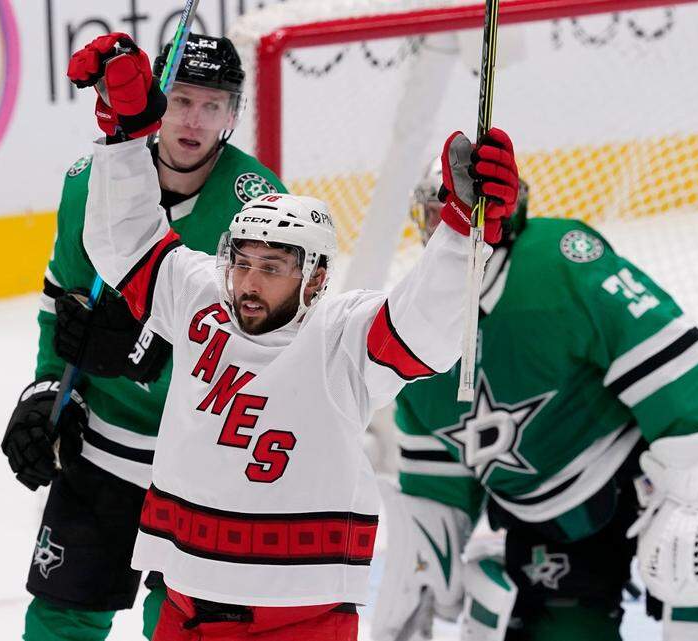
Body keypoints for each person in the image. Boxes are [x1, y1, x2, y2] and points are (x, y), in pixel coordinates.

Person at [72, 39, 522, 641]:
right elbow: (122, 239)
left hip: (300, 618)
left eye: (273, 267)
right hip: (186, 607)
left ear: (314, 277)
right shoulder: (204, 300)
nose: (249, 284)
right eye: (242, 261)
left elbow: (425, 333)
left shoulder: (341, 336)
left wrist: (464, 234)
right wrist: (126, 135)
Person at [371, 160, 698, 641]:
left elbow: (673, 359)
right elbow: (437, 486)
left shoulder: (557, 261)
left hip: (645, 476)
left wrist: (697, 481)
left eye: (455, 212)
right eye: (435, 213)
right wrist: (423, 563)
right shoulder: (414, 321)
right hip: (549, 523)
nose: (443, 228)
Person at [0, 32, 284, 641]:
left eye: (212, 104)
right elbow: (62, 307)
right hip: (100, 447)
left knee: (181, 623)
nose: (194, 119)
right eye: (180, 98)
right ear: (154, 99)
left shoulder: (261, 212)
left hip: (199, 460)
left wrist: (146, 355)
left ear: (234, 113)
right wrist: (48, 390)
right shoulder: (89, 183)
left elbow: (261, 352)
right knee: (61, 615)